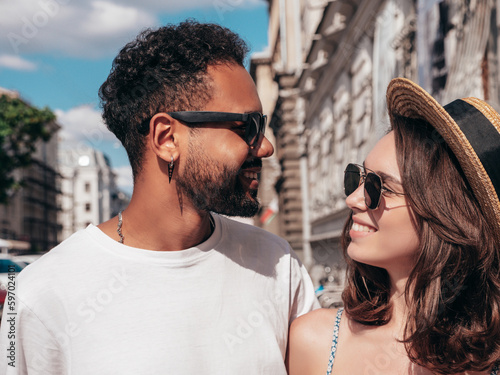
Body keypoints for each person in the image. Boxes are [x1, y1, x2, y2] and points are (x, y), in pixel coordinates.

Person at [0, 21, 319, 374]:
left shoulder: (278, 265)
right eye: (248, 127)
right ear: (167, 138)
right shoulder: (37, 295)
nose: (266, 146)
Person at [286, 78, 500, 374]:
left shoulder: (488, 358)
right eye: (357, 178)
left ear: (444, 212)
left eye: (378, 187)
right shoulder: (314, 340)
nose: (353, 199)